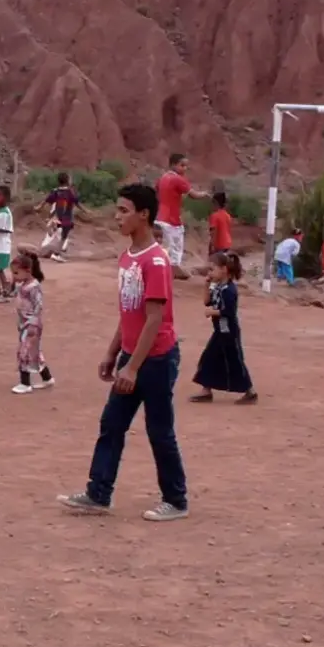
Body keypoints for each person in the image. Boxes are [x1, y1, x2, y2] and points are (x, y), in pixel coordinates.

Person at [58, 183, 189, 521]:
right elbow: (129, 313)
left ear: (143, 215)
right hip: (131, 356)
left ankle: (175, 500)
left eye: (124, 211)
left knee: (159, 430)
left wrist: (131, 367)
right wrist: (112, 353)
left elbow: (155, 319)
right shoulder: (127, 257)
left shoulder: (156, 261)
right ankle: (98, 493)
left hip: (156, 359)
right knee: (112, 424)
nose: (117, 217)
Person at [192, 251, 257, 403]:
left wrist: (212, 312)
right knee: (209, 358)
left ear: (224, 270)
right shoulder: (217, 287)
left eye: (212, 269)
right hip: (220, 331)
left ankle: (250, 391)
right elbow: (206, 301)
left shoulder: (229, 290)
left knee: (234, 360)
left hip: (229, 332)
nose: (210, 272)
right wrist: (206, 284)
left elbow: (228, 312)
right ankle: (206, 390)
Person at [11, 248, 54, 394]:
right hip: (24, 323)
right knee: (34, 352)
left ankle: (25, 383)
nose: (14, 276)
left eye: (16, 273)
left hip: (32, 325)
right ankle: (47, 378)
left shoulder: (34, 287)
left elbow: (39, 306)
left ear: (28, 270)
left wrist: (33, 324)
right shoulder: (22, 285)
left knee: (24, 352)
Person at [156, 153, 193, 275]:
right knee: (175, 245)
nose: (185, 169)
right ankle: (173, 269)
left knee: (163, 245)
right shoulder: (178, 179)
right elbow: (192, 194)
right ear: (173, 165)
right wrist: (205, 195)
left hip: (160, 217)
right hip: (172, 219)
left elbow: (156, 192)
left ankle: (160, 267)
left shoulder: (162, 178)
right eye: (182, 165)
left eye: (186, 166)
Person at [43, 173, 80, 259]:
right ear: (67, 181)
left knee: (60, 235)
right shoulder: (69, 193)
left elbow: (47, 201)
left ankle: (55, 252)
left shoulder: (56, 192)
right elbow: (77, 203)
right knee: (61, 236)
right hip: (64, 219)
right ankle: (56, 253)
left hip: (59, 219)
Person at [206, 190, 235, 259]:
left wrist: (211, 246)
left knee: (216, 265)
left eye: (212, 203)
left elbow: (213, 232)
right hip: (227, 244)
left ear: (215, 203)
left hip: (219, 245)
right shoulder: (227, 215)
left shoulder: (214, 216)